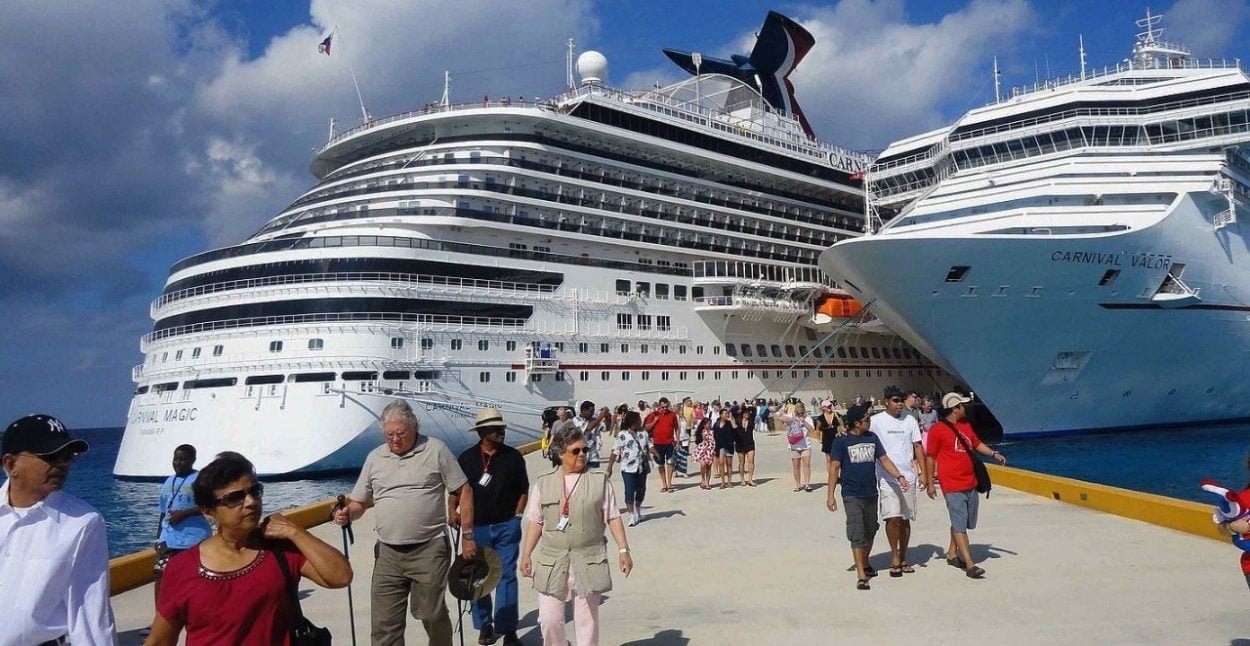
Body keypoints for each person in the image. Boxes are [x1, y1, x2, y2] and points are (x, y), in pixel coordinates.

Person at [148, 451, 352, 644]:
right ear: (208, 512)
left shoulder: (280, 550)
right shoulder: (182, 568)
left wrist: (295, 532)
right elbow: (160, 641)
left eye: (255, 491)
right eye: (235, 498)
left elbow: (340, 576)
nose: (251, 502)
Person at [333, 400, 476, 646]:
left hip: (429, 549)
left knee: (430, 612)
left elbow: (464, 489)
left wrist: (468, 535)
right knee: (383, 624)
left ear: (415, 427)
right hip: (388, 553)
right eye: (389, 435)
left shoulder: (436, 450)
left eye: (401, 433)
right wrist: (346, 513)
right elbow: (360, 502)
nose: (395, 440)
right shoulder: (375, 457)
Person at [0, 414, 116, 645]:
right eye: (50, 457)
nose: (62, 465)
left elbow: (89, 611)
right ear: (11, 464)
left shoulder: (82, 523)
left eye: (67, 457)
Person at [520, 425, 633, 646]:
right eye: (576, 450)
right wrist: (526, 555)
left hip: (589, 559)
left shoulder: (600, 481)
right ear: (561, 453)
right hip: (552, 562)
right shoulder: (543, 483)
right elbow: (536, 521)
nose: (582, 454)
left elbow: (612, 516)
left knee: (587, 621)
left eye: (585, 449)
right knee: (549, 619)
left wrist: (623, 550)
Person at [450, 408, 529, 646]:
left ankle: (508, 629)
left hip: (506, 525)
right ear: (482, 433)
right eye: (496, 429)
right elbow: (455, 491)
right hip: (477, 529)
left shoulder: (513, 457)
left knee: (506, 576)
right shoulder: (466, 459)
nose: (501, 431)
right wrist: (451, 512)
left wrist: (517, 517)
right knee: (478, 577)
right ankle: (485, 625)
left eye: (502, 427)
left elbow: (523, 490)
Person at [827, 405, 911, 590]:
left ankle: (864, 562)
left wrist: (899, 476)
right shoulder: (841, 442)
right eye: (866, 420)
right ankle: (861, 575)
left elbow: (885, 460)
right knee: (857, 533)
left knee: (871, 530)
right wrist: (830, 495)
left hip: (871, 493)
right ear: (857, 423)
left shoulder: (872, 438)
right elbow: (834, 468)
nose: (869, 422)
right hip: (851, 494)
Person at [924, 392, 1007, 580]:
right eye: (962, 406)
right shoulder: (937, 430)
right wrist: (930, 482)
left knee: (966, 521)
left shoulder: (965, 426)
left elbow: (976, 444)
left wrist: (994, 454)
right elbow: (930, 457)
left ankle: (952, 553)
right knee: (960, 523)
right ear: (954, 409)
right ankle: (969, 563)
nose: (965, 408)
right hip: (951, 483)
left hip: (970, 482)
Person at [148, 444, 212, 635]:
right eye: (176, 459)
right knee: (160, 575)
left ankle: (201, 615)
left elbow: (209, 504)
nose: (178, 463)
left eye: (183, 459)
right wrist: (159, 535)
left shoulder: (200, 480)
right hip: (168, 539)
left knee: (198, 578)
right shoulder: (169, 481)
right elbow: (163, 511)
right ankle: (159, 618)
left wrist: (185, 514)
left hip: (193, 539)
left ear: (192, 460)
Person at [869, 386, 927, 577]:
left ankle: (904, 556)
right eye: (895, 400)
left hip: (908, 477)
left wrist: (923, 473)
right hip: (886, 478)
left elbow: (918, 446)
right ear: (886, 401)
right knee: (892, 517)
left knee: (905, 519)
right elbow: (863, 437)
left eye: (901, 400)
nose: (899, 404)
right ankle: (894, 556)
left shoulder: (910, 420)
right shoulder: (876, 421)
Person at [606, 411, 651, 526]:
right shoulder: (622, 434)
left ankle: (638, 509)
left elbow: (649, 445)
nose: (640, 422)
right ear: (632, 422)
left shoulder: (643, 433)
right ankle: (631, 515)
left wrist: (655, 454)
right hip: (628, 469)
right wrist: (610, 467)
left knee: (641, 490)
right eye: (638, 420)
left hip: (642, 467)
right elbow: (615, 451)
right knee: (629, 491)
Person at [644, 397, 680, 493]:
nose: (664, 409)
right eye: (663, 407)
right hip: (657, 443)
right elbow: (646, 427)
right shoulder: (653, 415)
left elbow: (677, 428)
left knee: (670, 463)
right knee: (660, 464)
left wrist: (678, 440)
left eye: (666, 407)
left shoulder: (672, 415)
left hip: (670, 443)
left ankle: (669, 484)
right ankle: (664, 484)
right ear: (659, 406)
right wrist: (654, 421)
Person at [779, 402, 815, 492]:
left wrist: (804, 421)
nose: (800, 414)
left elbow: (812, 430)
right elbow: (781, 418)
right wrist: (793, 418)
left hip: (805, 445)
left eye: (802, 412)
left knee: (806, 465)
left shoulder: (807, 418)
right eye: (798, 412)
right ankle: (798, 485)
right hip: (794, 445)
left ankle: (807, 484)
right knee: (796, 466)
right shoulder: (792, 416)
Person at [711, 408, 738, 489]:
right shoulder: (716, 424)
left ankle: (729, 482)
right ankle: (723, 482)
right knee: (721, 463)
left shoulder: (730, 423)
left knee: (729, 464)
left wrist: (731, 420)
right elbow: (714, 435)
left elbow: (735, 429)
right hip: (720, 446)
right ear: (721, 415)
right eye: (725, 413)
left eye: (727, 413)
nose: (727, 415)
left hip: (729, 445)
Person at [815, 399, 845, 470]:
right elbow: (817, 429)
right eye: (828, 406)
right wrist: (819, 439)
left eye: (830, 405)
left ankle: (839, 474)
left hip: (837, 438)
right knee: (829, 459)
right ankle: (831, 476)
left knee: (838, 458)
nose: (829, 407)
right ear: (823, 408)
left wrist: (842, 433)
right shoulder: (820, 418)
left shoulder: (836, 415)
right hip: (826, 439)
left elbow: (842, 425)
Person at [573, 401, 601, 470]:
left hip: (593, 456)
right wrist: (601, 416)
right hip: (580, 455)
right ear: (584, 410)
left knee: (594, 478)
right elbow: (588, 428)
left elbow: (606, 428)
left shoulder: (593, 420)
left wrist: (608, 417)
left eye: (593, 411)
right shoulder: (576, 420)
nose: (592, 413)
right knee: (581, 478)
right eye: (591, 411)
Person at [690, 418, 716, 490]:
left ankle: (707, 482)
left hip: (710, 450)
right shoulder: (701, 431)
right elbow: (698, 441)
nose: (709, 425)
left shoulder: (712, 431)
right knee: (703, 465)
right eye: (708, 424)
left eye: (710, 423)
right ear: (704, 425)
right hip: (703, 450)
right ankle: (703, 479)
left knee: (708, 467)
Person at [735, 406, 757, 487]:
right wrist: (740, 408)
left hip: (750, 443)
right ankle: (742, 479)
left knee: (751, 461)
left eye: (748, 413)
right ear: (742, 413)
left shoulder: (751, 420)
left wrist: (747, 406)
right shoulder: (738, 421)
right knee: (741, 463)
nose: (747, 414)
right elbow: (733, 411)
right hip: (740, 443)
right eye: (745, 413)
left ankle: (750, 479)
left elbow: (754, 410)